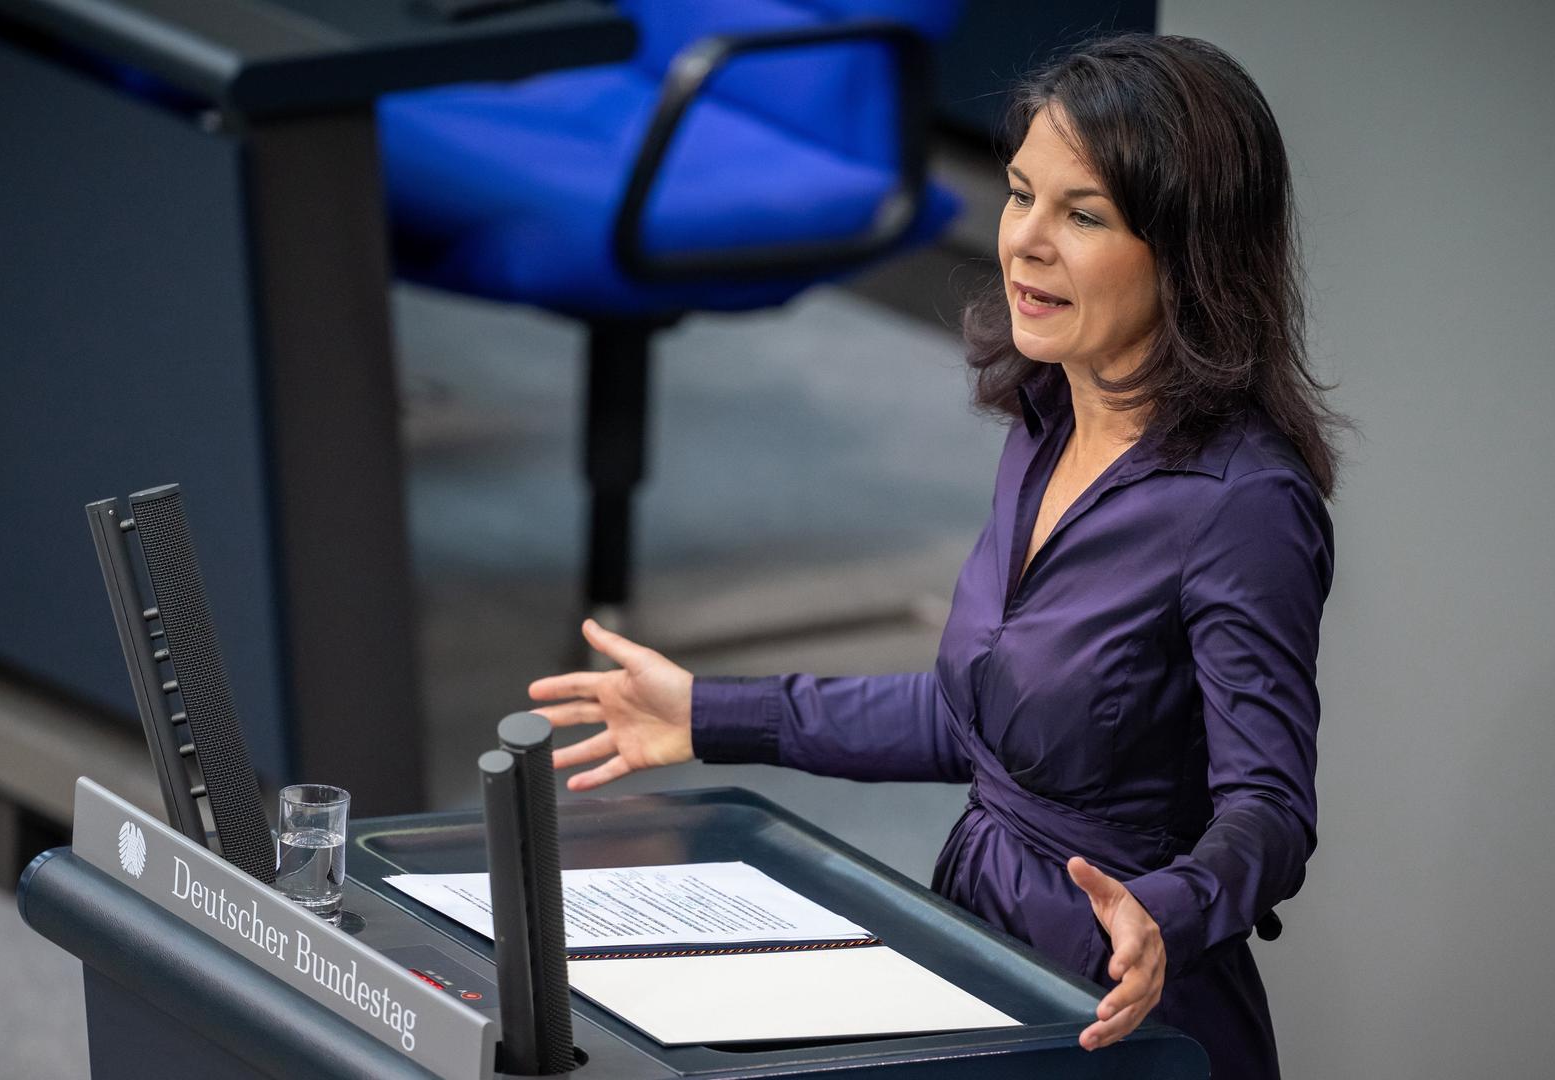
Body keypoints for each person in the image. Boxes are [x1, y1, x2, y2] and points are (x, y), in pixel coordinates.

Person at [525, 33, 1342, 1080]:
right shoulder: (1047, 420)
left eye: (1082, 214)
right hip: (978, 938)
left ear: (1186, 252)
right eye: (1019, 196)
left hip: (1123, 1004)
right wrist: (710, 716)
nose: (1026, 242)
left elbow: (1271, 810)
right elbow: (977, 720)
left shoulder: (1246, 506)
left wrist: (1163, 913)